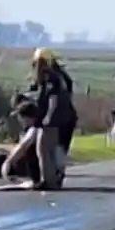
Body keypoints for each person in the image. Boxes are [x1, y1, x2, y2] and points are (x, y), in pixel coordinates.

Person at [30, 47, 75, 190]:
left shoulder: (49, 77)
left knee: (44, 148)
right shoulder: (61, 75)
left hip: (57, 119)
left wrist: (48, 116)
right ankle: (56, 177)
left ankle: (49, 180)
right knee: (58, 149)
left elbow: (52, 98)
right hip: (67, 118)